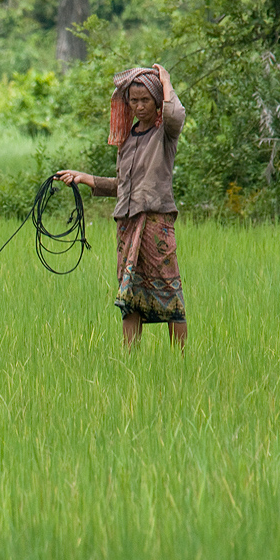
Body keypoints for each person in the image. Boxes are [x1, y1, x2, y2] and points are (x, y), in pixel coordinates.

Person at [56, 64, 187, 350]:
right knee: (129, 294)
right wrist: (86, 179)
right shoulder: (127, 139)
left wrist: (166, 81)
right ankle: (130, 358)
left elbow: (176, 115)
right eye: (134, 100)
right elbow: (125, 186)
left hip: (155, 224)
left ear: (157, 102)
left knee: (169, 291)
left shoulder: (165, 133)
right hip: (127, 227)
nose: (139, 107)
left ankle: (182, 362)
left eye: (146, 101)